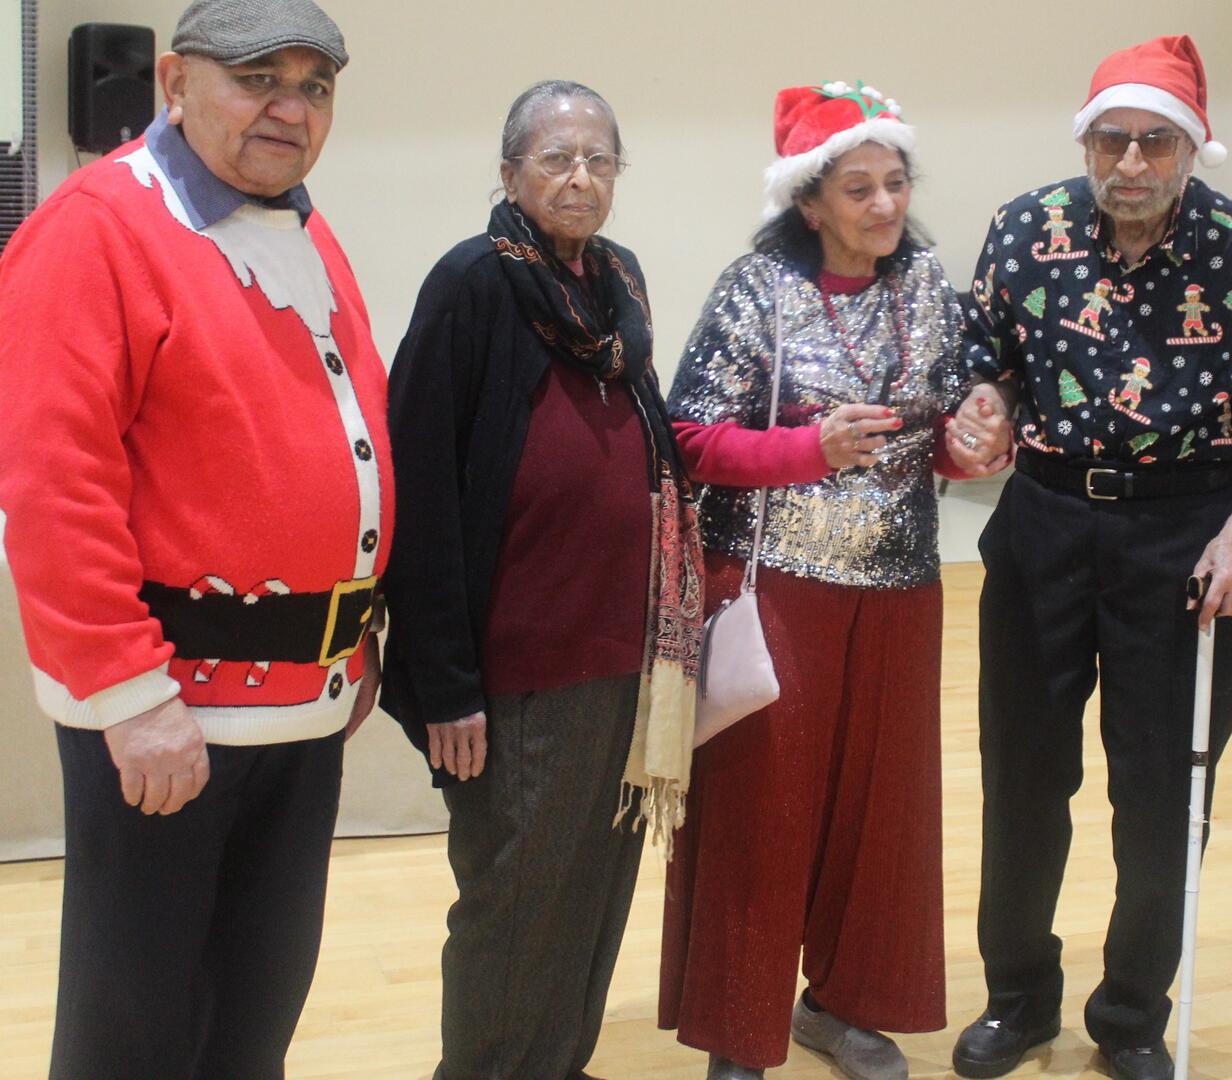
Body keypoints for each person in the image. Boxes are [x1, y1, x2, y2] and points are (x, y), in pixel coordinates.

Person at [0, 2, 388, 1076]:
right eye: (259, 79)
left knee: (253, 1017)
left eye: (315, 87)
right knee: (135, 1034)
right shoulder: (94, 227)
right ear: (174, 84)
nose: (291, 109)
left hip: (302, 703)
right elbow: (52, 486)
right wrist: (130, 696)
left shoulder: (302, 228)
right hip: (168, 715)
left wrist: (351, 642)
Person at [949, 36, 1232, 1080]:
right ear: (1087, 143)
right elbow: (990, 366)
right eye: (1113, 140)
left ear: (1192, 148)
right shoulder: (1026, 228)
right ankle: (1018, 999)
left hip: (1186, 534)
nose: (1132, 162)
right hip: (1045, 523)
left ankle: (1133, 1013)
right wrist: (985, 406)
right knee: (1023, 776)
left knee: (1162, 795)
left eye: (1155, 141)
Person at [657, 81, 1012, 1080]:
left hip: (900, 587)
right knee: (763, 813)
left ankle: (841, 1006)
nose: (885, 205)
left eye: (896, 182)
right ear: (808, 203)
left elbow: (944, 433)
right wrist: (806, 450)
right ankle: (738, 1029)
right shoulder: (755, 288)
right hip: (777, 585)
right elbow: (688, 436)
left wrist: (976, 441)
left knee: (880, 817)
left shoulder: (927, 283)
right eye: (858, 189)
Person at [382, 81, 701, 1080]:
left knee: (594, 886)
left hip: (622, 650)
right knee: (516, 897)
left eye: (600, 160)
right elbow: (419, 484)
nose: (580, 178)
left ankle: (559, 1063)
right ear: (510, 171)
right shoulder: (474, 283)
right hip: (519, 664)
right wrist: (446, 685)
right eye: (557, 158)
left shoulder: (616, 279)